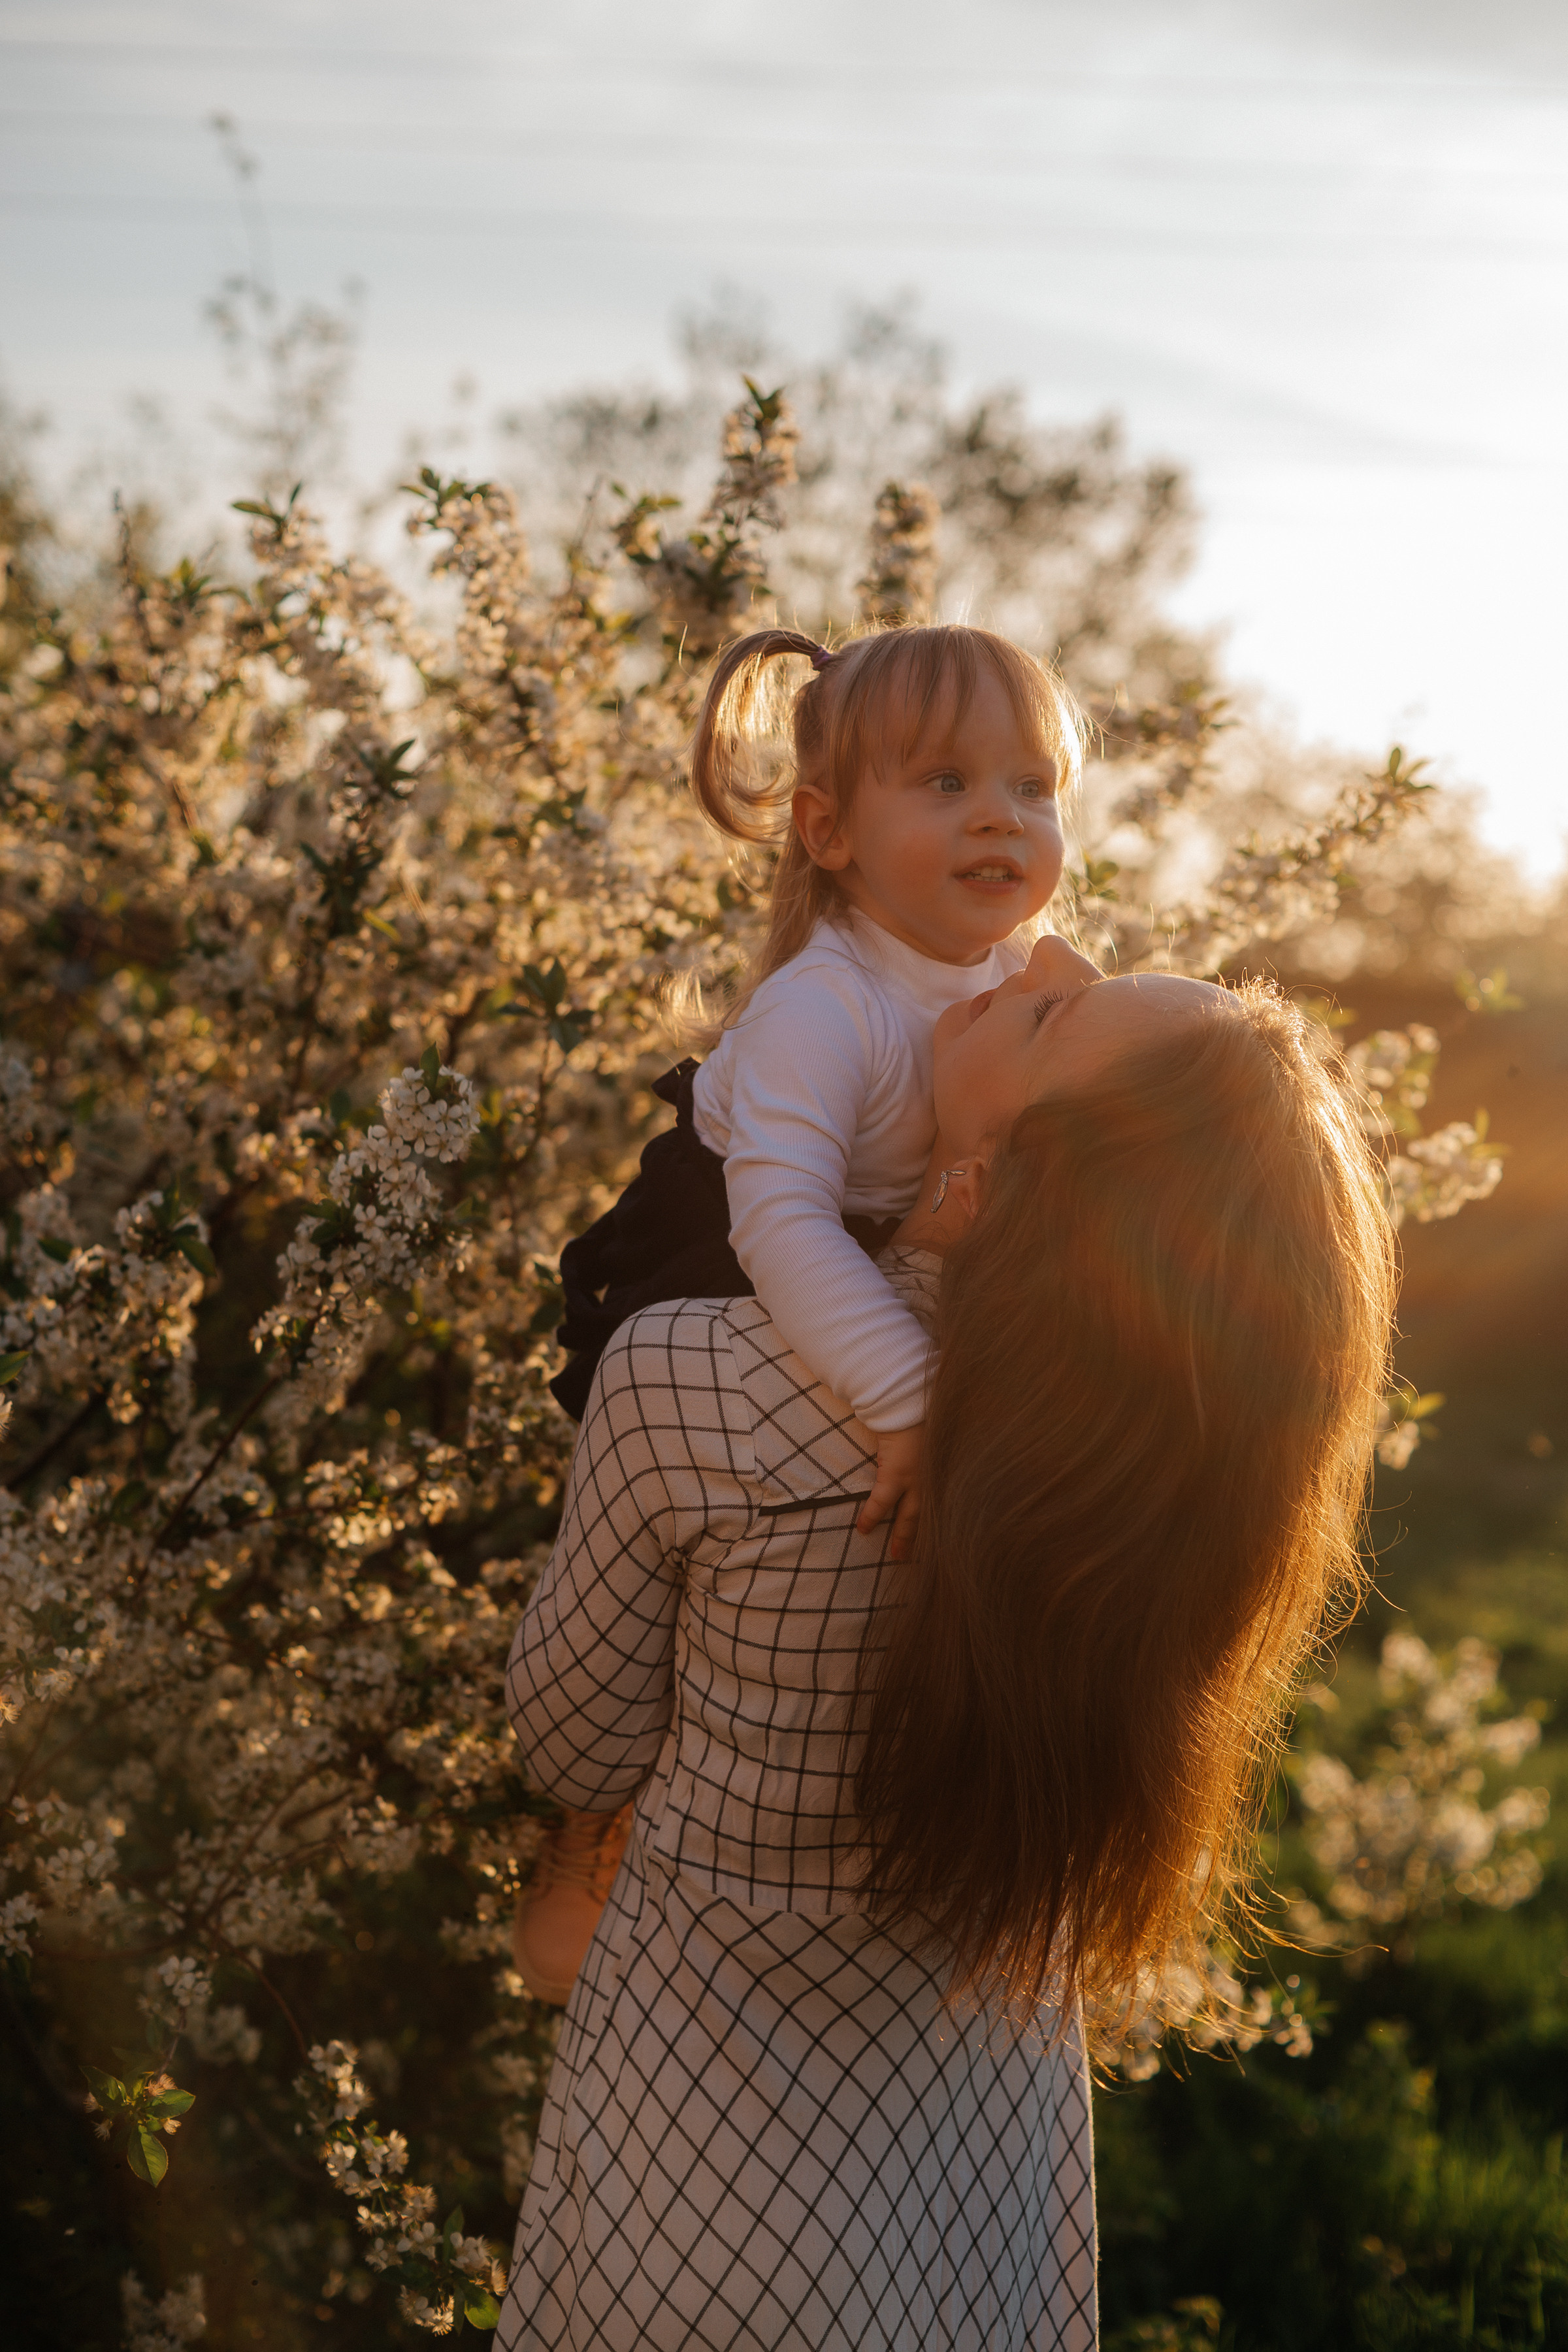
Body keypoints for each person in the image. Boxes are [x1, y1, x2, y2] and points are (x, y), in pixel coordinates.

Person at [494, 950, 1396, 2351]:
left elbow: (576, 1743)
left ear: (994, 1183)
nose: (1047, 954)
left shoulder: (698, 1374)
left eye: (1052, 1013)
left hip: (698, 2147)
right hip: (975, 2168)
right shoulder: (1172, 1478)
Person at [520, 624, 1088, 2001]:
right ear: (828, 833)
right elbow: (780, 1223)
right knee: (656, 1596)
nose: (1001, 818)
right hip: (717, 1260)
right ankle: (582, 1868)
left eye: (1034, 786)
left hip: (876, 1249)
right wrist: (903, 1401)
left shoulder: (1017, 970)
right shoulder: (823, 1008)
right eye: (946, 785)